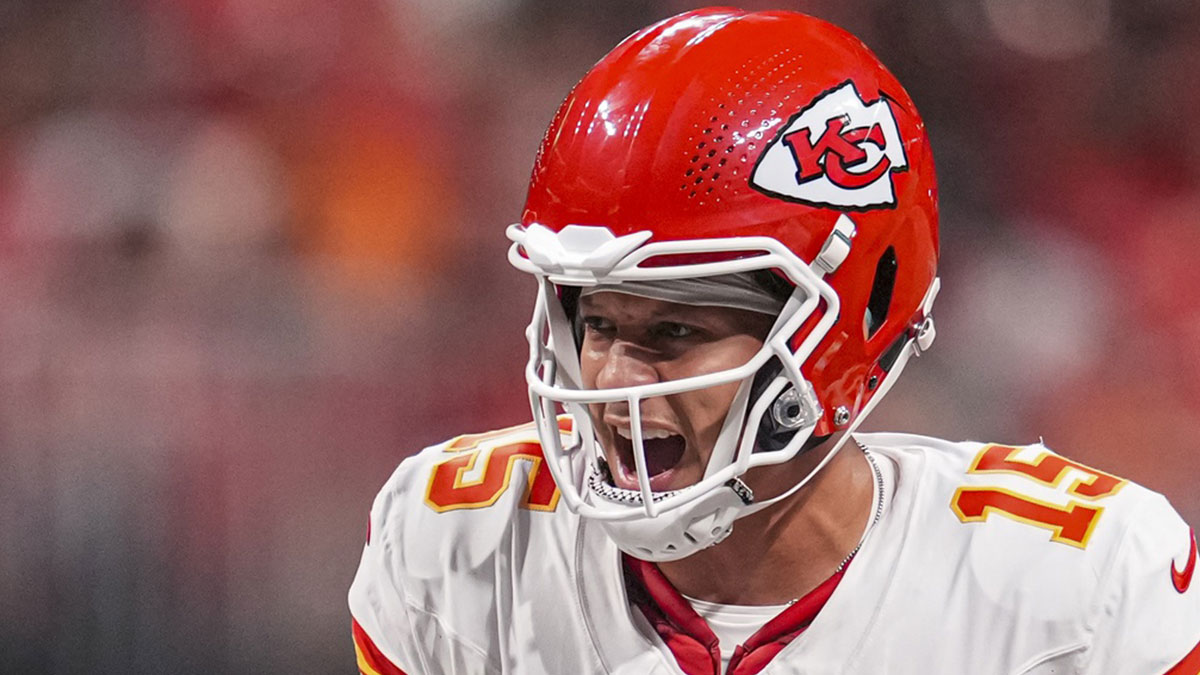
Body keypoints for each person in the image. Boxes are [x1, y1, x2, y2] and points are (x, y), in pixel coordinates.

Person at [348, 8, 1200, 674]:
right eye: (596, 321)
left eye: (674, 328)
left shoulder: (1074, 588)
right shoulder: (460, 546)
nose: (609, 375)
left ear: (850, 321)